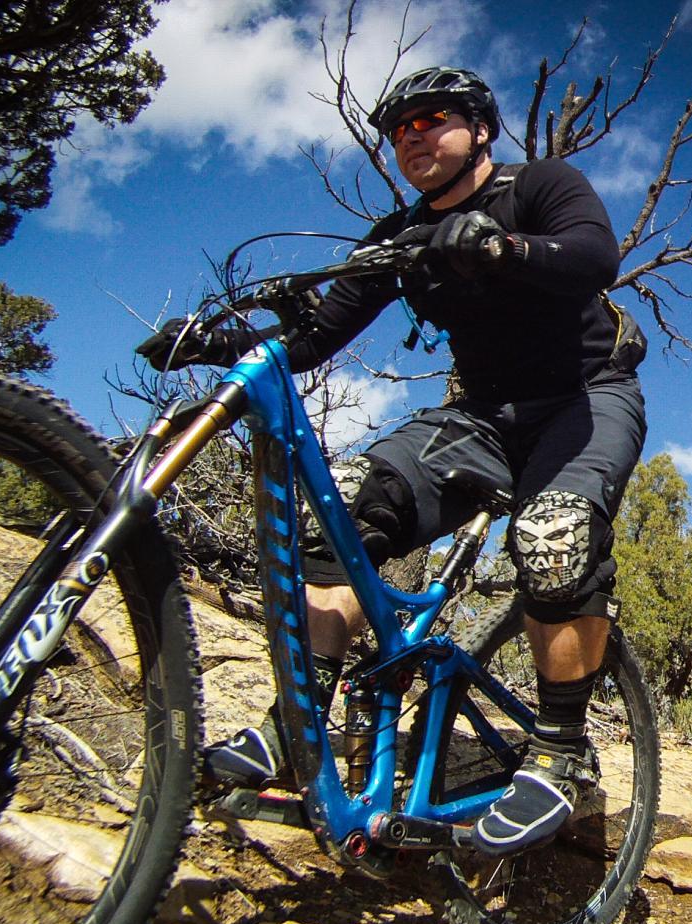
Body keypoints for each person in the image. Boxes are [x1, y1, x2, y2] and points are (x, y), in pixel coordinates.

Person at [137, 66, 647, 856]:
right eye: (397, 128)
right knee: (335, 517)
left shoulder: (539, 184)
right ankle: (296, 728)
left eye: (431, 119)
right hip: (478, 416)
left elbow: (593, 257)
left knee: (554, 538)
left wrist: (501, 246)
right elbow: (311, 338)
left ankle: (563, 754)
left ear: (479, 128)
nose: (411, 135)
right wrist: (215, 343)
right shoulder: (400, 240)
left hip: (583, 398)